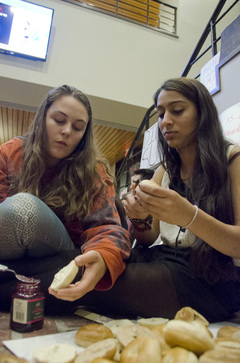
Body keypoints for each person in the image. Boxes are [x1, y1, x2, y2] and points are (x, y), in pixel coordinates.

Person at [47, 78, 240, 323]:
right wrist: (138, 218)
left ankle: (16, 286)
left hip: (212, 280)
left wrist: (189, 216)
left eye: (177, 111)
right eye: (160, 114)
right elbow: (148, 239)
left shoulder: (232, 160)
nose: (166, 121)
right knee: (82, 262)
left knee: (93, 283)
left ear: (203, 115)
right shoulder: (166, 170)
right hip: (166, 258)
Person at [0, 85, 131, 313]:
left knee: (24, 208)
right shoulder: (9, 153)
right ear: (42, 118)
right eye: (59, 120)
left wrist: (102, 256)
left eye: (78, 127)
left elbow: (109, 229)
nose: (67, 131)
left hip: (59, 257)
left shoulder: (93, 172)